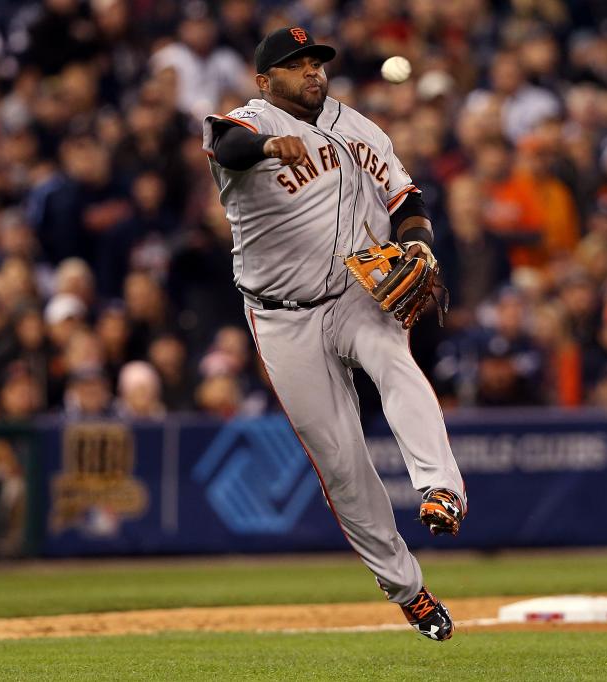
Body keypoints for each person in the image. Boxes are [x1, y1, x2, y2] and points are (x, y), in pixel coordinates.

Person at [202, 27, 466, 641]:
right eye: (295, 66)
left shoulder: (362, 129)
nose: (311, 72)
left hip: (355, 292)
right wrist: (270, 149)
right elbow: (229, 147)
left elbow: (407, 201)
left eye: (316, 61)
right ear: (266, 81)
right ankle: (407, 589)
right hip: (280, 316)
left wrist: (420, 244)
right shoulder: (243, 121)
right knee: (342, 464)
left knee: (392, 360)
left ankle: (440, 490)